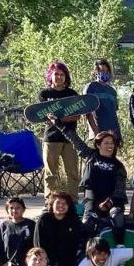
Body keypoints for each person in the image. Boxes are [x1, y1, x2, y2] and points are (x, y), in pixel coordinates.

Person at [52, 117, 127, 245]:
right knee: (88, 223)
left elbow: (119, 190)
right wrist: (59, 124)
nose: (110, 146)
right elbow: (75, 139)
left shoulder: (119, 166)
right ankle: (84, 251)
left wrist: (109, 203)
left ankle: (120, 248)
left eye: (112, 143)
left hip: (112, 201)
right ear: (98, 145)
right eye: (106, 143)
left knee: (118, 217)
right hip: (93, 198)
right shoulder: (91, 156)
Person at [39, 60, 81, 199]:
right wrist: (56, 118)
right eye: (56, 74)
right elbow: (43, 116)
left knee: (73, 173)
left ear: (66, 76)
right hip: (51, 139)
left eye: (62, 74)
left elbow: (76, 116)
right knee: (50, 173)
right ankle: (50, 202)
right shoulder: (45, 94)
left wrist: (58, 119)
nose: (59, 77)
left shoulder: (72, 93)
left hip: (69, 138)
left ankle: (72, 201)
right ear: (50, 75)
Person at [34, 192, 85, 266]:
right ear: (52, 205)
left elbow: (76, 243)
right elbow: (39, 244)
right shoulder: (44, 220)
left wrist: (62, 264)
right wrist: (50, 263)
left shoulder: (74, 220)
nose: (61, 206)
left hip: (68, 262)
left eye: (64, 203)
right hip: (45, 262)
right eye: (58, 203)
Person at [83, 58, 121, 143]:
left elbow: (114, 115)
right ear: (95, 72)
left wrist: (119, 136)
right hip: (98, 134)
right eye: (101, 70)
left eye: (106, 71)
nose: (104, 73)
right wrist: (96, 133)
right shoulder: (91, 87)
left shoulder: (112, 91)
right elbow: (87, 113)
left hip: (113, 135)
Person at [0, 197, 36, 266]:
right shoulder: (4, 225)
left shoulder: (31, 225)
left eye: (18, 208)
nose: (14, 211)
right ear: (7, 210)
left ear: (23, 209)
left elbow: (36, 246)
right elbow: (0, 247)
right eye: (11, 208)